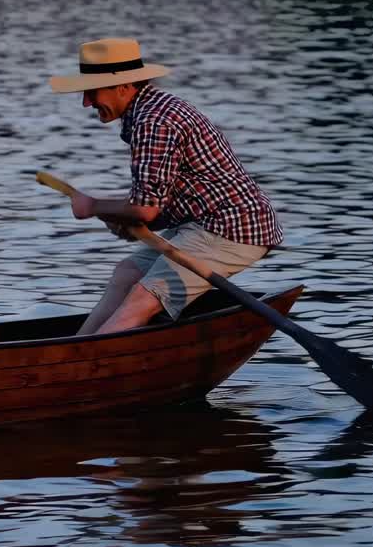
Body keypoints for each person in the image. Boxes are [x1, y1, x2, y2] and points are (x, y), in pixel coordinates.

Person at [48, 37, 283, 335]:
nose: (86, 102)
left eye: (91, 92)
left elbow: (144, 210)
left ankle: (82, 367)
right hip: (202, 223)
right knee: (127, 274)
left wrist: (93, 206)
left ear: (122, 86)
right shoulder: (149, 111)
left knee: (142, 299)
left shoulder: (153, 122)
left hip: (230, 229)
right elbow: (161, 201)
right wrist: (125, 218)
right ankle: (77, 348)